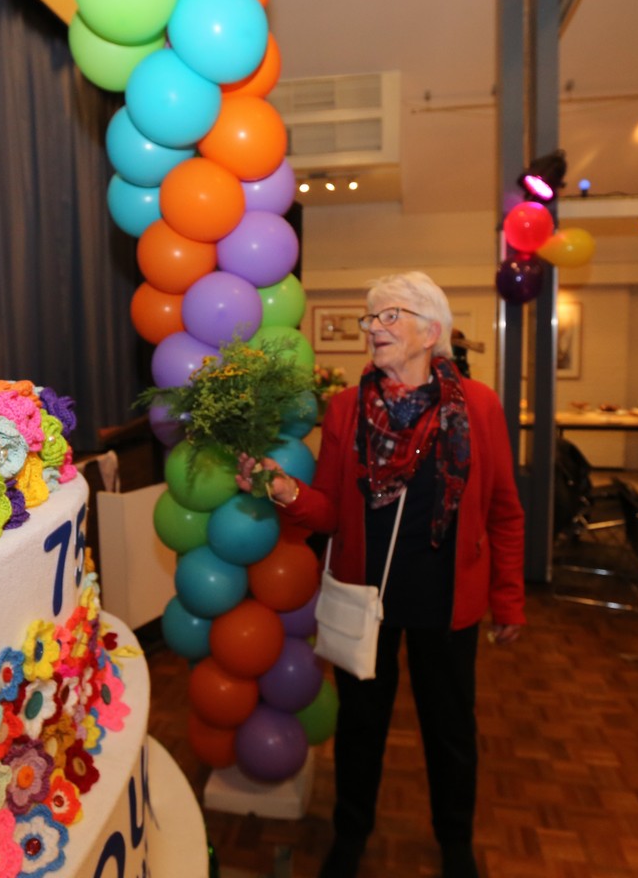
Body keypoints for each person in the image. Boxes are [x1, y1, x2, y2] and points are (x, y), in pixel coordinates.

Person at [236, 272, 524, 878]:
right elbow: (332, 512)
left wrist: (509, 601)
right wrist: (287, 491)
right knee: (361, 727)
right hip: (366, 597)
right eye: (372, 318)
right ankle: (351, 835)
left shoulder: (479, 406)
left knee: (450, 730)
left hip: (447, 599)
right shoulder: (347, 409)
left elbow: (504, 511)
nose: (374, 328)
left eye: (391, 316)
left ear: (432, 331)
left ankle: (455, 843)